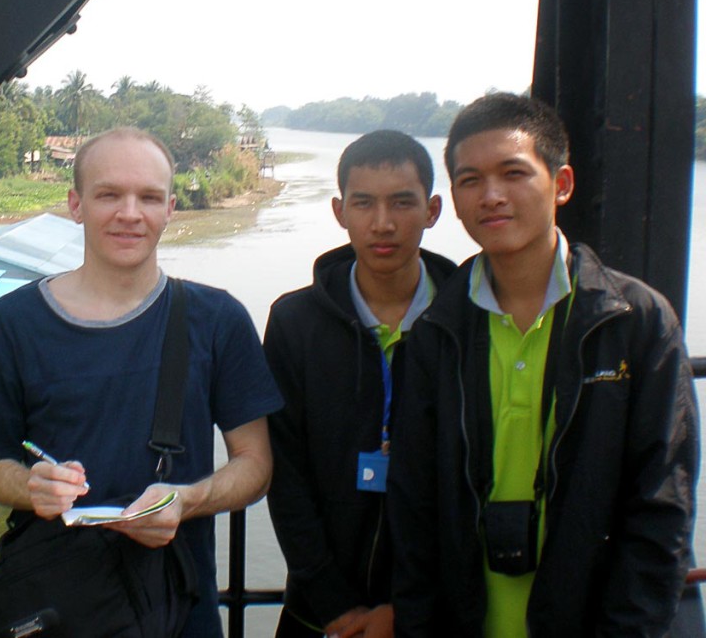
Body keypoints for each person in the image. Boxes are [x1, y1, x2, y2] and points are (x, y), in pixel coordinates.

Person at [387, 93, 700, 637]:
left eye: (513, 173)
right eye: (469, 180)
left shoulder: (633, 322)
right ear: (454, 202)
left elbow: (661, 506)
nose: (491, 196)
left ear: (561, 183)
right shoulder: (436, 333)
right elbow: (415, 510)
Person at [0, 127, 283, 637]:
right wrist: (32, 486)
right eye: (109, 194)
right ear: (76, 204)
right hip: (54, 605)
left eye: (149, 197)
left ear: (171, 208)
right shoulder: (14, 321)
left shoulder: (216, 319)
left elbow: (256, 465)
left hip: (175, 608)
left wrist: (187, 500)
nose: (129, 213)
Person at [264, 130, 455, 638]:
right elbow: (284, 474)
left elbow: (473, 484)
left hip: (432, 614)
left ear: (433, 210)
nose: (383, 223)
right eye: (364, 203)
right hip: (319, 614)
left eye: (403, 203)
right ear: (338, 210)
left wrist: (406, 608)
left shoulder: (466, 323)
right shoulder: (295, 322)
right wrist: (335, 605)